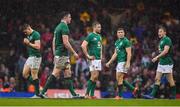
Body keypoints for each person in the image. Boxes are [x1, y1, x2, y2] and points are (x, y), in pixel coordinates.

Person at [40, 11, 79, 98]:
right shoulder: (64, 27)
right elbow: (66, 42)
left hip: (60, 54)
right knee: (55, 73)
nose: (70, 19)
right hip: (62, 54)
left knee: (68, 73)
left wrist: (54, 54)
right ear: (65, 17)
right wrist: (74, 52)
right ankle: (42, 92)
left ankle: (73, 94)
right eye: (69, 17)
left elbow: (54, 41)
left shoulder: (57, 27)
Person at [143, 26, 176, 99]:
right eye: (158, 32)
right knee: (157, 78)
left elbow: (166, 51)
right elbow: (161, 51)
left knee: (170, 80)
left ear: (165, 32)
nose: (159, 33)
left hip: (167, 62)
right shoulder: (161, 40)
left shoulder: (167, 39)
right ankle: (152, 95)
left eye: (161, 31)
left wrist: (157, 57)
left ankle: (173, 96)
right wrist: (155, 54)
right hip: (161, 62)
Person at [106, 28, 138, 99]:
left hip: (123, 61)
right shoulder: (117, 42)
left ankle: (120, 96)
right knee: (119, 79)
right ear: (117, 34)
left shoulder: (126, 41)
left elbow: (129, 53)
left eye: (121, 32)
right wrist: (109, 62)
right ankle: (133, 89)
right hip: (119, 62)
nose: (120, 33)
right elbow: (115, 54)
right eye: (119, 32)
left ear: (124, 33)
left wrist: (128, 62)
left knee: (120, 78)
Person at [81, 21, 102, 99]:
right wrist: (88, 56)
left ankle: (92, 95)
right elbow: (83, 45)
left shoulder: (99, 36)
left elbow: (100, 47)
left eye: (100, 27)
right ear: (94, 28)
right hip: (92, 58)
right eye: (98, 27)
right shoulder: (90, 36)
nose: (100, 28)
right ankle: (86, 94)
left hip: (98, 59)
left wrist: (101, 55)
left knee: (96, 77)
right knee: (93, 76)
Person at [22, 24, 41, 98]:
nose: (25, 33)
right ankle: (39, 87)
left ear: (29, 28)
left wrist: (28, 43)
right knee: (24, 74)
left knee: (34, 75)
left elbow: (38, 46)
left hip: (36, 57)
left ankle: (37, 94)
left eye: (26, 32)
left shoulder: (36, 34)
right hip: (30, 57)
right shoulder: (28, 35)